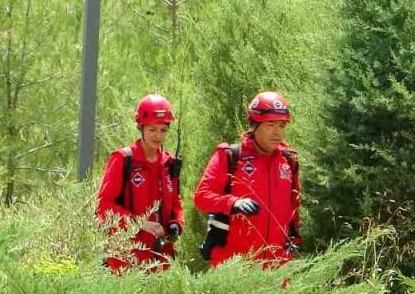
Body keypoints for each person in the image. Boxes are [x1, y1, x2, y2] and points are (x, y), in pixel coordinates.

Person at [194, 91, 301, 268]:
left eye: (282, 126)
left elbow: (293, 210)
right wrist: (232, 203)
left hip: (277, 268)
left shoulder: (288, 161)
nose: (277, 133)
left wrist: (294, 242)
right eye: (270, 125)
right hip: (234, 265)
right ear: (255, 125)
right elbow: (201, 197)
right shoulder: (231, 156)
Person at [96, 94, 185, 273]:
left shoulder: (170, 163)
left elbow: (175, 202)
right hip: (126, 258)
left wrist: (177, 224)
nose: (158, 136)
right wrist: (139, 223)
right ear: (140, 127)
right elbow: (103, 206)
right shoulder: (123, 159)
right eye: (152, 130)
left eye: (163, 130)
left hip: (162, 259)